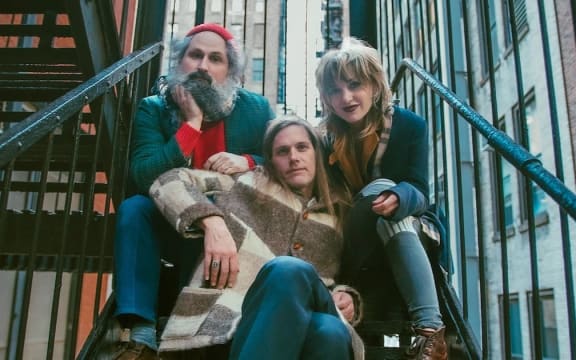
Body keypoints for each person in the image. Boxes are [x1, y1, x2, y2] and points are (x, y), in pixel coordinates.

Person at [113, 23, 274, 359]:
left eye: (215, 59)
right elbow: (143, 175)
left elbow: (279, 166)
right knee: (133, 208)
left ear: (230, 71)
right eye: (195, 55)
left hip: (232, 233)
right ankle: (138, 329)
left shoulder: (256, 109)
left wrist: (246, 160)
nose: (203, 65)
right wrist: (190, 125)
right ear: (179, 62)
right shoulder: (152, 108)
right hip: (172, 223)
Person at [149, 116, 364, 360]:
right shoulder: (244, 184)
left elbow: (344, 276)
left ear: (316, 153)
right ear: (271, 160)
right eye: (283, 151)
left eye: (302, 147)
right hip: (235, 317)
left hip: (312, 307)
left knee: (316, 305)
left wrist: (346, 295)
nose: (294, 157)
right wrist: (212, 223)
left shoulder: (339, 214)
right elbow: (166, 181)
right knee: (329, 332)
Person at [315, 37, 448, 360]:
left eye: (354, 84)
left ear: (375, 86)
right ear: (327, 99)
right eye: (334, 90)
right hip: (352, 235)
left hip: (401, 229)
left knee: (393, 207)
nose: (345, 97)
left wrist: (398, 197)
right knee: (382, 187)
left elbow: (420, 191)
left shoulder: (410, 126)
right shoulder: (323, 139)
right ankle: (431, 329)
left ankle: (430, 336)